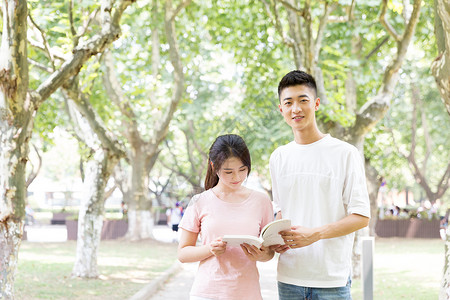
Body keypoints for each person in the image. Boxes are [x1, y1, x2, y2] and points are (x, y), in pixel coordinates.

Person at [269, 70, 371, 299]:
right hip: (288, 277)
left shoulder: (345, 153)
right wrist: (273, 239)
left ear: (315, 104)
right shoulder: (279, 157)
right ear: (281, 109)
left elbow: (361, 216)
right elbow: (280, 211)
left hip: (331, 280)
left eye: (302, 100)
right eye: (288, 102)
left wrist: (315, 234)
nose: (296, 108)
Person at [178, 134, 275, 300]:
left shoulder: (262, 201)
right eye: (228, 172)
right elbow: (183, 254)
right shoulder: (200, 201)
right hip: (207, 293)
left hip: (248, 293)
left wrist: (261, 255)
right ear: (214, 166)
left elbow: (269, 252)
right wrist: (210, 249)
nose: (236, 177)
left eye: (242, 170)